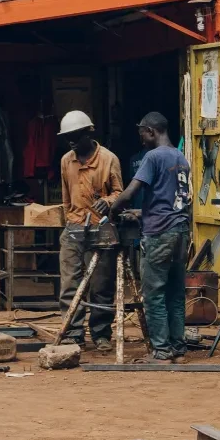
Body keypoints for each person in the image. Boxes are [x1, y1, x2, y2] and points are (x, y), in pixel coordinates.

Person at [98, 112, 192, 362]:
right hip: (180, 231)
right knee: (174, 293)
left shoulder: (153, 156)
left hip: (159, 233)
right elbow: (170, 200)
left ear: (151, 131)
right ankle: (178, 347)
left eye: (142, 133)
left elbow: (129, 192)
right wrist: (141, 213)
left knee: (153, 294)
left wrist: (113, 210)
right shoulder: (180, 157)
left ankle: (161, 351)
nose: (140, 139)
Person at [58, 110, 123, 350]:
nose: (72, 142)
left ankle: (101, 333)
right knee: (69, 284)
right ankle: (73, 332)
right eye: (68, 138)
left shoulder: (108, 159)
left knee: (101, 285)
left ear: (89, 133)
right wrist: (70, 220)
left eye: (76, 136)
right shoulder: (67, 160)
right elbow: (66, 197)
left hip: (101, 229)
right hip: (74, 226)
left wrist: (107, 201)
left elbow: (120, 193)